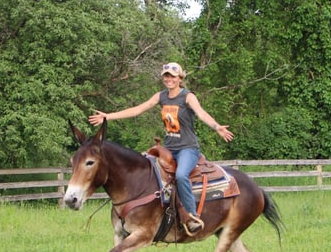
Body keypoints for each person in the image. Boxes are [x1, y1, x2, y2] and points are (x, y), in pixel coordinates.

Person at [89, 62, 233, 236]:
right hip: (168, 148)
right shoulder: (161, 96)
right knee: (146, 169)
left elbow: (201, 113)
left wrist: (216, 127)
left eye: (172, 76)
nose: (169, 79)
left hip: (187, 149)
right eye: (166, 76)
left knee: (180, 176)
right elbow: (138, 109)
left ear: (180, 78)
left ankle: (191, 215)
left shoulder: (187, 97)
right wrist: (108, 116)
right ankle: (158, 214)